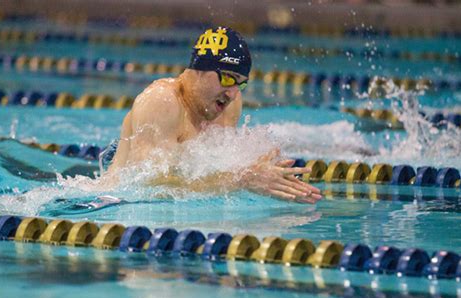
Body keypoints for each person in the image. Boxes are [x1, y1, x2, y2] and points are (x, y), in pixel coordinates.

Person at [106, 27, 322, 204]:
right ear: (199, 69)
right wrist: (244, 180)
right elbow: (147, 183)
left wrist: (263, 175)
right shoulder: (163, 102)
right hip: (115, 206)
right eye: (227, 78)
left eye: (240, 83)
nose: (233, 93)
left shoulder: (228, 105)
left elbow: (212, 174)